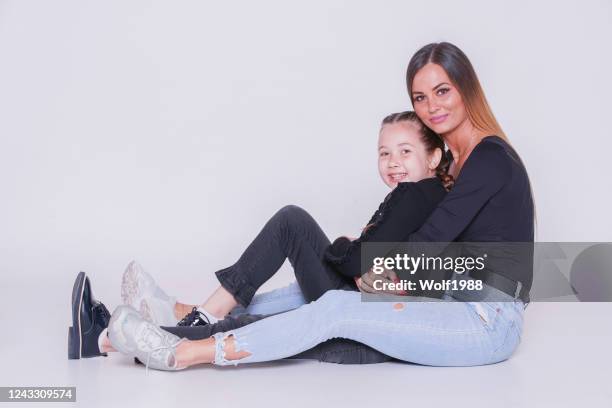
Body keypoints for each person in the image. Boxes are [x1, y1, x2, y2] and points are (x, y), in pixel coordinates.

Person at [100, 41, 535, 371]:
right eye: (420, 98)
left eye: (442, 91)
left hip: (486, 320)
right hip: (445, 299)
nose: (431, 107)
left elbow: (434, 239)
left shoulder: (489, 158)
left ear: (467, 88)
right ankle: (150, 331)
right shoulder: (454, 164)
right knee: (306, 299)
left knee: (335, 308)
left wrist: (385, 270)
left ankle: (185, 352)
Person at [71, 110, 452, 364]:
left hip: (361, 313)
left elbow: (354, 260)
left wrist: (342, 245)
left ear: (434, 157)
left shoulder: (415, 194)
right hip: (368, 309)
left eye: (405, 151)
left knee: (291, 223)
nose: (392, 162)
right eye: (384, 153)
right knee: (254, 321)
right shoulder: (429, 197)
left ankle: (123, 333)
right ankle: (115, 335)